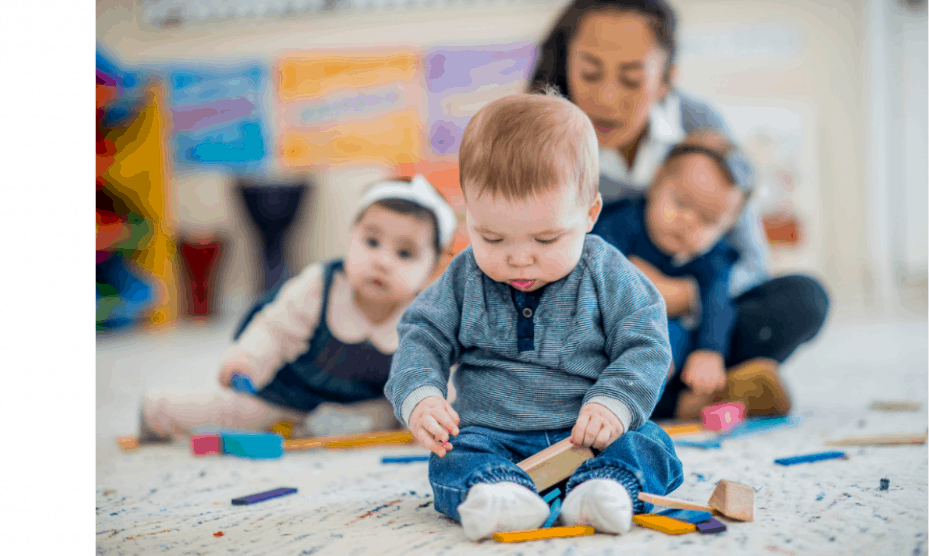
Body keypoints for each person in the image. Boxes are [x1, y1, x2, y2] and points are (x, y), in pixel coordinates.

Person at [384, 92, 683, 541]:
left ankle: (603, 490)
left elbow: (647, 343)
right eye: (492, 238)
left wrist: (615, 403)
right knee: (453, 455)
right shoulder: (464, 276)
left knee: (651, 443)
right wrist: (421, 396)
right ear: (468, 214)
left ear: (589, 213)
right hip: (494, 440)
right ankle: (500, 495)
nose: (519, 259)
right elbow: (421, 336)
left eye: (545, 240)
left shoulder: (607, 272)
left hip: (589, 438)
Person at [529, 0, 829, 414]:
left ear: (666, 79)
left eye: (632, 79)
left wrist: (690, 297)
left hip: (693, 320)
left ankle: (676, 390)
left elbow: (752, 261)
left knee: (804, 300)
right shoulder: (542, 136)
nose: (607, 97)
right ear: (568, 64)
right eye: (590, 72)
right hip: (595, 322)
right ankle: (690, 397)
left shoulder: (700, 127)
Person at [138, 175, 456, 441]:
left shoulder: (424, 318)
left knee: (400, 412)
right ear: (351, 238)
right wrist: (247, 360)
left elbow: (440, 373)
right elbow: (274, 330)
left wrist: (440, 415)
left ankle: (329, 426)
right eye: (371, 242)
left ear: (432, 271)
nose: (382, 262)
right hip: (292, 392)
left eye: (404, 253)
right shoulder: (321, 285)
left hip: (365, 403)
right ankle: (159, 412)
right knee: (238, 413)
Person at [593, 130, 788, 419]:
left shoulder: (712, 256)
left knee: (673, 338)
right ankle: (678, 405)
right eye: (681, 203)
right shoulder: (618, 224)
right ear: (657, 182)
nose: (688, 222)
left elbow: (717, 304)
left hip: (665, 350)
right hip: (604, 337)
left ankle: (664, 404)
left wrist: (710, 352)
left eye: (708, 220)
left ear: (727, 227)